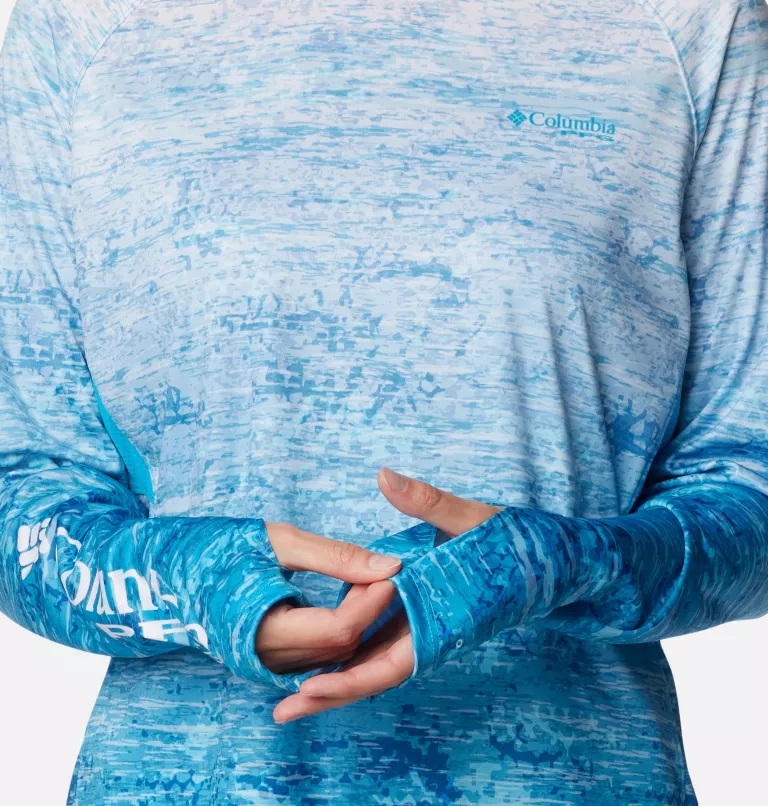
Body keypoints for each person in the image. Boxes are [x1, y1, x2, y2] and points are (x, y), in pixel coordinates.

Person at [1, 0, 767, 802]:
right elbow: (25, 496)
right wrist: (194, 584)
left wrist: (565, 563)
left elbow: (749, 488)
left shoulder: (690, 21)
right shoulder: (86, 22)